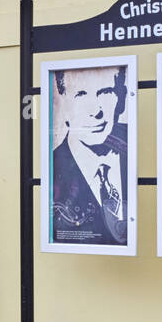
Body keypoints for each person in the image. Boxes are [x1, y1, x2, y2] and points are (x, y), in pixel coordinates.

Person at [50, 65, 128, 246]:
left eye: (106, 92)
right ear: (63, 102)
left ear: (122, 99)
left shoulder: (142, 147)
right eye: (81, 95)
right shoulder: (52, 169)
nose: (95, 111)